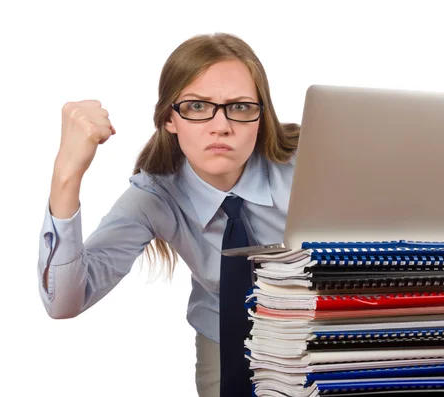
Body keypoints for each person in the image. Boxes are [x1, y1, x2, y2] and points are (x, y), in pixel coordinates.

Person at [37, 32, 300, 397]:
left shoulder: (308, 162)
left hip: (326, 325)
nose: (221, 125)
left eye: (239, 107)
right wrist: (66, 174)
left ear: (262, 116)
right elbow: (65, 301)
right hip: (223, 337)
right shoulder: (154, 196)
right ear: (169, 119)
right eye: (196, 106)